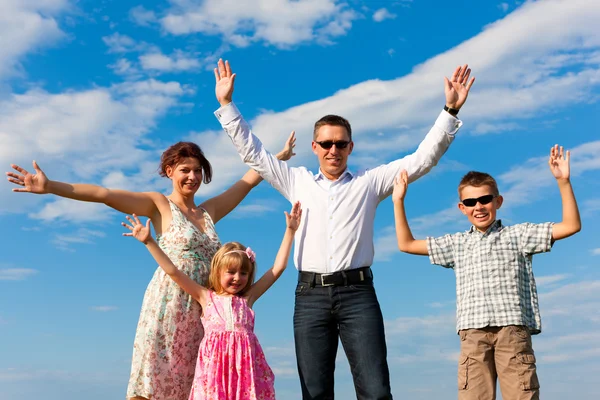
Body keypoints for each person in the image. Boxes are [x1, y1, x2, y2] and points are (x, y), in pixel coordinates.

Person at [212, 58, 475, 399]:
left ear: (351, 146)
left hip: (358, 295)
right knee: (316, 392)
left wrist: (449, 111)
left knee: (376, 391)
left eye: (340, 143)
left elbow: (422, 159)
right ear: (314, 148)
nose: (333, 150)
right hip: (310, 297)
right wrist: (227, 105)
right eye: (325, 144)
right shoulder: (296, 180)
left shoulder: (370, 181)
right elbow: (254, 153)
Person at [5, 137, 296, 400]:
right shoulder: (160, 205)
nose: (192, 177)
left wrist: (276, 158)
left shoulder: (209, 212)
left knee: (196, 385)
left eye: (197, 171)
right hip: (168, 304)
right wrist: (51, 187)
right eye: (185, 170)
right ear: (170, 171)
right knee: (156, 381)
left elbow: (246, 183)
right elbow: (104, 193)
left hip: (207, 312)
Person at [391, 145, 581, 400]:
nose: (478, 206)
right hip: (473, 335)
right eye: (470, 202)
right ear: (462, 207)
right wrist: (398, 200)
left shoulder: (519, 235)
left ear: (498, 201)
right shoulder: (456, 244)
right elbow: (406, 244)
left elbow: (571, 225)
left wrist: (563, 181)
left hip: (511, 332)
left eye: (484, 199)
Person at [121, 201, 302, 400]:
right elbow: (173, 271)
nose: (237, 278)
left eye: (243, 273)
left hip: (244, 373)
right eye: (231, 272)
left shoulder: (247, 298)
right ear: (217, 271)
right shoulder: (206, 297)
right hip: (214, 373)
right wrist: (149, 242)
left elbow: (278, 268)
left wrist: (290, 231)